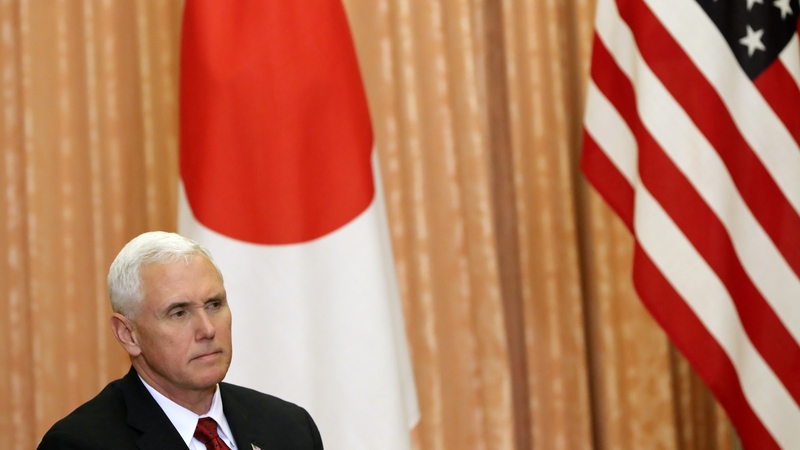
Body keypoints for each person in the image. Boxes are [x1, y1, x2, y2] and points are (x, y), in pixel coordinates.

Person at [38, 231, 323, 450]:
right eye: (179, 312)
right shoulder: (79, 444)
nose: (208, 329)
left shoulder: (289, 428)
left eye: (214, 305)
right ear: (128, 335)